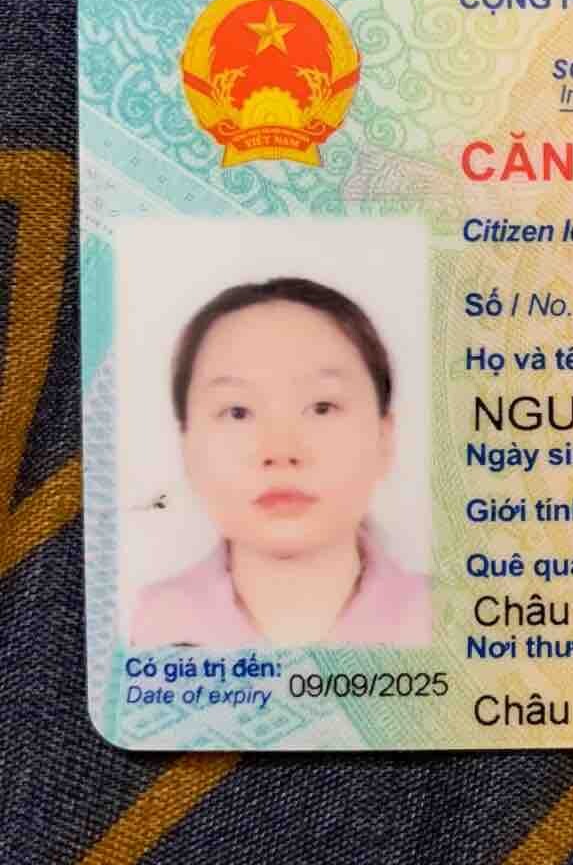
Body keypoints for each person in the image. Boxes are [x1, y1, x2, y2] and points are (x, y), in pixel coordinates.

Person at [129, 276, 432, 646]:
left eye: (322, 407)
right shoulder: (138, 626)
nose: (280, 451)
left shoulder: (457, 622)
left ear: (384, 438)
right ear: (187, 446)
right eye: (238, 412)